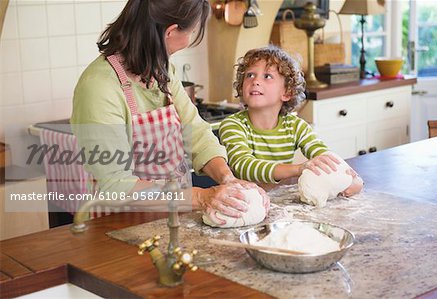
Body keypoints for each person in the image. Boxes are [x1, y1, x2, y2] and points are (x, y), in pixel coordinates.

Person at [70, 0, 268, 224]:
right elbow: (117, 186)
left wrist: (227, 178)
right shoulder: (99, 87)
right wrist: (202, 197)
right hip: (116, 228)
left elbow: (197, 134)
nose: (189, 39)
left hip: (171, 221)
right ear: (171, 32)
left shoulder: (161, 71)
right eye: (192, 31)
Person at [219, 45, 363, 196]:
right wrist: (297, 169)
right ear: (241, 87)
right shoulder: (233, 126)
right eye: (250, 75)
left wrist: (352, 176)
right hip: (241, 200)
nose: (255, 81)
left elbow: (323, 154)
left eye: (267, 76)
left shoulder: (295, 126)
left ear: (287, 92)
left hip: (278, 201)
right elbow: (244, 165)